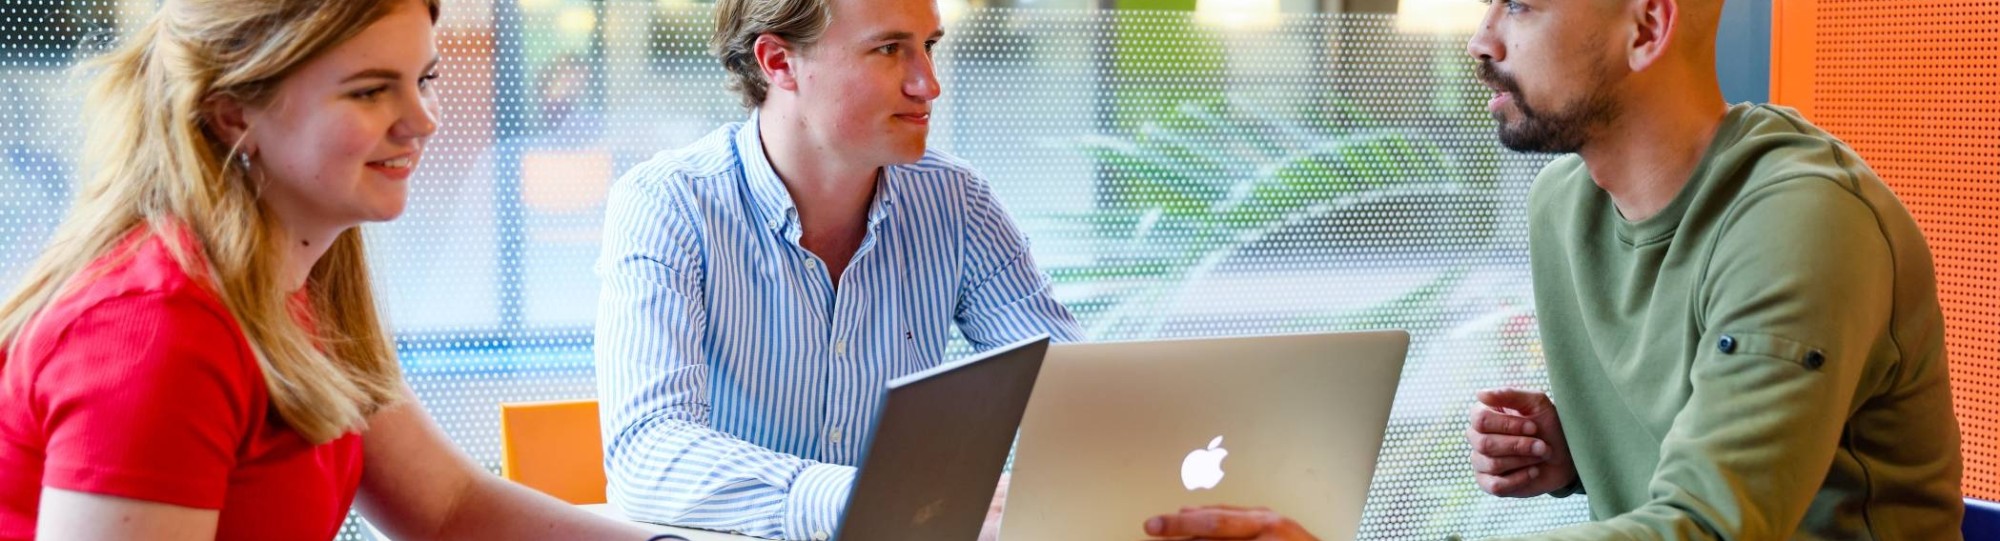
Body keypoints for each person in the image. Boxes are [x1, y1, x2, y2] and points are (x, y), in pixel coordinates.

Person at [1148, 0, 1964, 538]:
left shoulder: (1804, 219)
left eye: (1523, 4)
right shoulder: (1564, 205)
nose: (1481, 39)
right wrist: (1576, 450)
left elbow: (1708, 528)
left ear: (1646, 26)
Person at [0, 1, 660, 539]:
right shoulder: (156, 332)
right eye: (371, 91)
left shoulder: (305, 272)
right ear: (235, 115)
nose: (422, 121)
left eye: (425, 79)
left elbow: (447, 506)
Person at [591, 0, 1080, 536]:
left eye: (930, 46)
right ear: (778, 62)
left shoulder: (957, 200)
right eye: (889, 49)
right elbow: (647, 454)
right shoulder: (668, 203)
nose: (928, 85)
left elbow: (1079, 397)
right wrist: (876, 498)